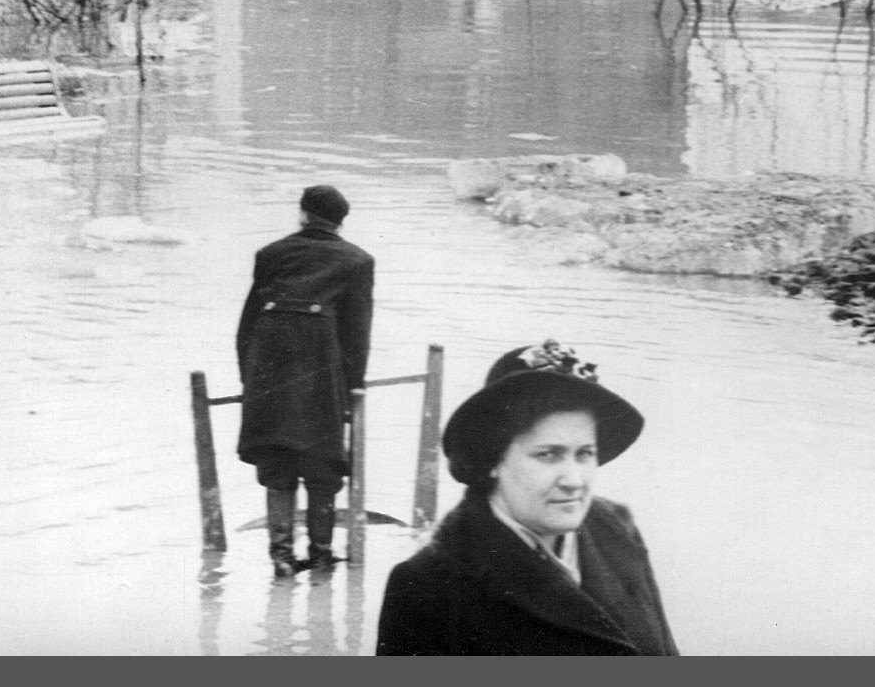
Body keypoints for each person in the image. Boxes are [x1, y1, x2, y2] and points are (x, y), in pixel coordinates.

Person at [376, 340, 678, 655]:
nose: (574, 481)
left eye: (585, 454)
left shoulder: (618, 532)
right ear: (492, 460)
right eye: (548, 455)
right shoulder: (428, 587)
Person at [236, 184, 374, 577]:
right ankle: (321, 555)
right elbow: (356, 333)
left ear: (302, 214)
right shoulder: (358, 262)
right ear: (341, 221)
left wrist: (251, 381)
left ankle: (281, 558)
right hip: (321, 376)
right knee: (322, 465)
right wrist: (352, 388)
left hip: (269, 374)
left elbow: (247, 325)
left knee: (277, 461)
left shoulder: (271, 255)